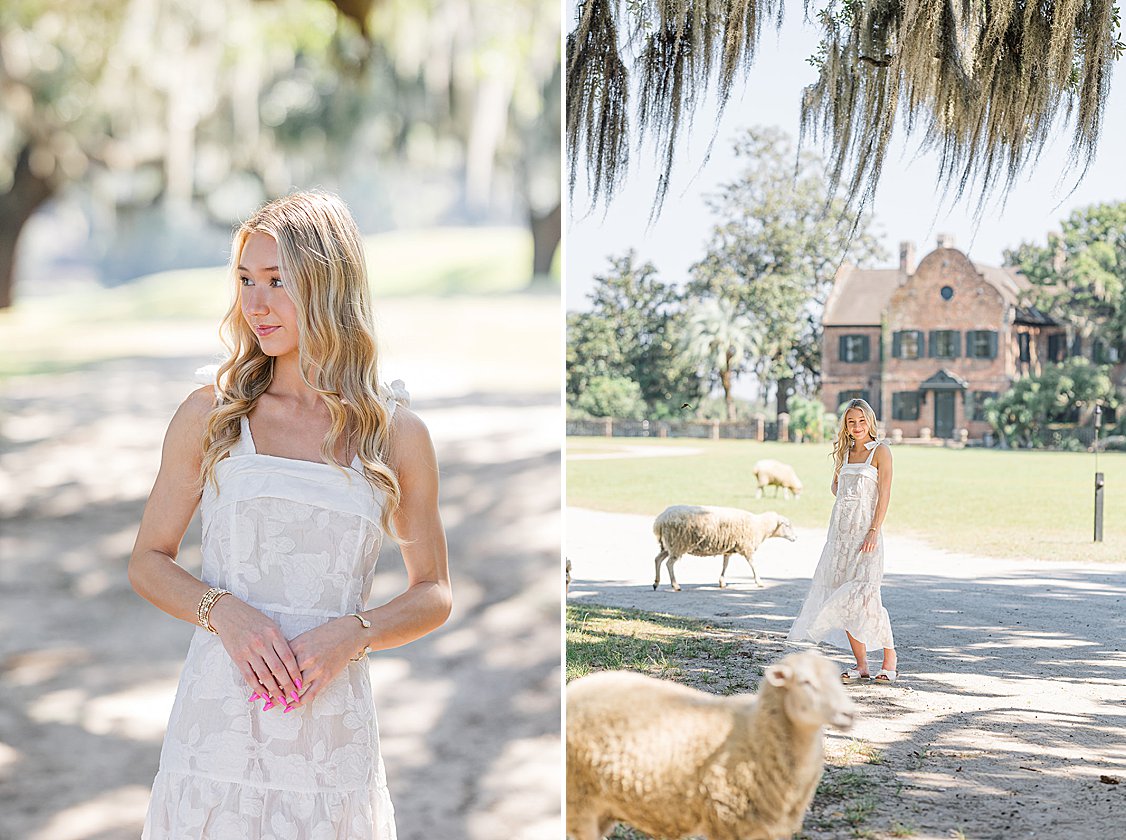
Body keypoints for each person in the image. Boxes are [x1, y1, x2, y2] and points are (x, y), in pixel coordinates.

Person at [129, 190, 452, 838]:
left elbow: (434, 593)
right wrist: (223, 613)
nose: (255, 304)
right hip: (217, 733)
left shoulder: (395, 433)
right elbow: (147, 561)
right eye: (246, 280)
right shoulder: (213, 415)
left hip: (334, 741)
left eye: (277, 281)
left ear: (328, 283)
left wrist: (356, 632)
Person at [787, 398, 897, 683]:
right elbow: (838, 489)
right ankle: (861, 665)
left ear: (870, 422)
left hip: (866, 535)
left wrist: (874, 529)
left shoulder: (881, 452)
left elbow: (884, 495)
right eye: (851, 422)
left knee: (865, 595)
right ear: (845, 426)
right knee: (841, 598)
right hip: (839, 537)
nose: (857, 426)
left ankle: (889, 656)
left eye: (861, 421)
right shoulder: (845, 453)